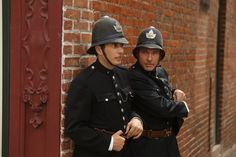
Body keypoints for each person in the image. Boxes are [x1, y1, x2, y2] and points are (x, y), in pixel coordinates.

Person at [64, 16, 143, 157]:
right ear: (99, 50)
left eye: (121, 45)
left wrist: (136, 119)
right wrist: (109, 142)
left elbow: (132, 107)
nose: (120, 51)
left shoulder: (124, 75)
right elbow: (74, 128)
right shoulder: (84, 82)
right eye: (114, 45)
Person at [129, 26, 189, 157]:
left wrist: (174, 91)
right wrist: (183, 107)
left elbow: (161, 89)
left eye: (154, 53)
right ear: (138, 53)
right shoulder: (135, 76)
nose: (149, 58)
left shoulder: (160, 71)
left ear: (160, 55)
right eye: (145, 52)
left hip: (169, 142)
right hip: (148, 146)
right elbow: (160, 106)